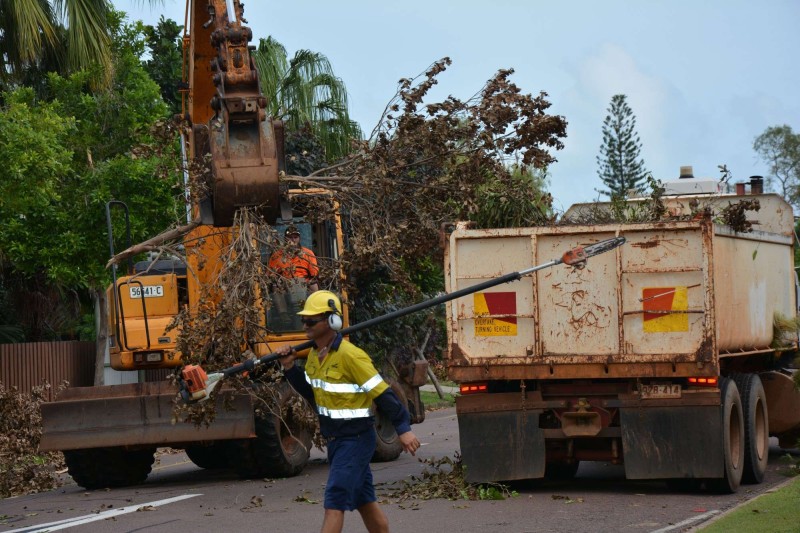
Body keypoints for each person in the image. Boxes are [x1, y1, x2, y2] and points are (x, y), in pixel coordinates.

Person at [277, 290, 420, 533]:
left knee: (334, 502)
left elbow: (383, 394)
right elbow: (311, 391)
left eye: (311, 320)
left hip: (355, 439)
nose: (305, 325)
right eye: (304, 320)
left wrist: (403, 429)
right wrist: (290, 368)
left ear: (331, 321)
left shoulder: (351, 356)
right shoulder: (313, 356)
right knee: (366, 503)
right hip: (336, 440)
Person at [268, 225, 319, 326]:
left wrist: (304, 280)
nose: (293, 239)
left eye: (295, 237)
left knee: (312, 284)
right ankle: (283, 314)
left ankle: (316, 311)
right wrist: (279, 280)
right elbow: (270, 275)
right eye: (290, 237)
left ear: (299, 238)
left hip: (303, 282)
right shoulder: (277, 255)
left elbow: (314, 273)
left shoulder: (307, 253)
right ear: (285, 238)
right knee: (275, 286)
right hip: (284, 282)